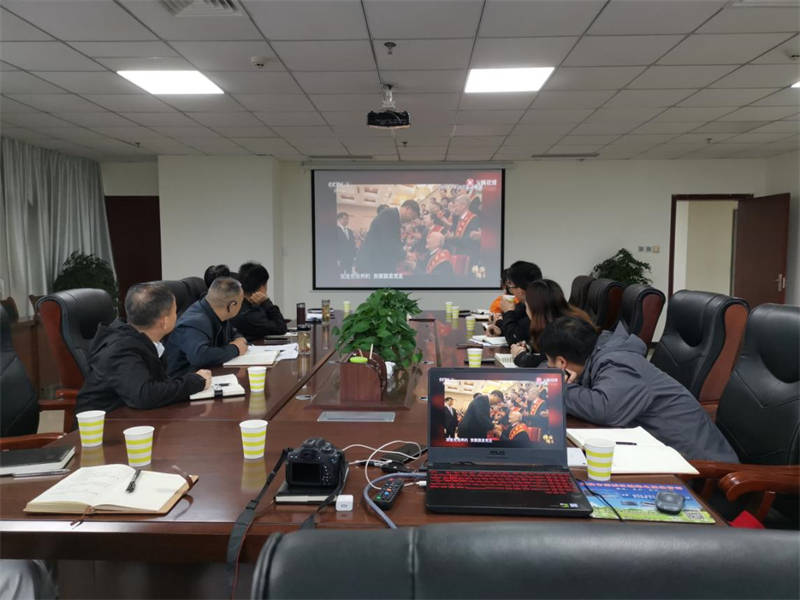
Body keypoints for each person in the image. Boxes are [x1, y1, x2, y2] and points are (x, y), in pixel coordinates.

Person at [539, 316, 739, 462]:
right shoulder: (603, 354)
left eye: (550, 363)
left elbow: (605, 409)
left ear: (562, 363)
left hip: (703, 469)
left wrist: (558, 388)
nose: (549, 367)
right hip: (663, 452)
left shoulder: (618, 362)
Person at [76, 283, 210, 413]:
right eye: (175, 312)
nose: (178, 316)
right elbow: (144, 395)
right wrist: (195, 382)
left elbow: (157, 385)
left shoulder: (140, 340)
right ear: (164, 322)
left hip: (132, 416)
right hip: (104, 423)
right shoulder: (121, 349)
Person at [164, 277, 248, 377]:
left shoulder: (219, 313)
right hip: (183, 380)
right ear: (232, 305)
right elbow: (200, 356)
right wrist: (235, 349)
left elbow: (233, 332)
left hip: (209, 373)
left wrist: (239, 339)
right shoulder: (193, 322)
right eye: (241, 302)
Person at [511, 279, 596, 368]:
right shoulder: (565, 318)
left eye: (526, 306)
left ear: (533, 309)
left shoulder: (564, 329)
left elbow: (549, 362)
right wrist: (529, 347)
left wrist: (521, 357)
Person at [356, 199, 420, 275]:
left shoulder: (394, 217)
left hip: (377, 261)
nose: (411, 220)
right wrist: (406, 255)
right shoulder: (389, 214)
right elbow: (389, 243)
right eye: (412, 217)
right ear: (408, 208)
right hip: (372, 262)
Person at [487, 261, 542, 344]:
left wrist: (508, 311)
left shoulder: (537, 309)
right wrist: (501, 329)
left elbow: (514, 338)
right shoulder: (523, 305)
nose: (511, 291)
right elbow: (515, 327)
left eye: (511, 286)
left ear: (520, 289)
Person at [231, 262, 287, 341]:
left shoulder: (238, 304)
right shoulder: (250, 314)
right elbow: (281, 328)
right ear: (262, 287)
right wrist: (267, 302)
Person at [447, 194, 481, 267]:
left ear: (463, 205)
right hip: (458, 255)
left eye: (456, 206)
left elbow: (469, 239)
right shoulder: (457, 219)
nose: (454, 209)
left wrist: (452, 238)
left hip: (468, 257)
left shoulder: (473, 218)